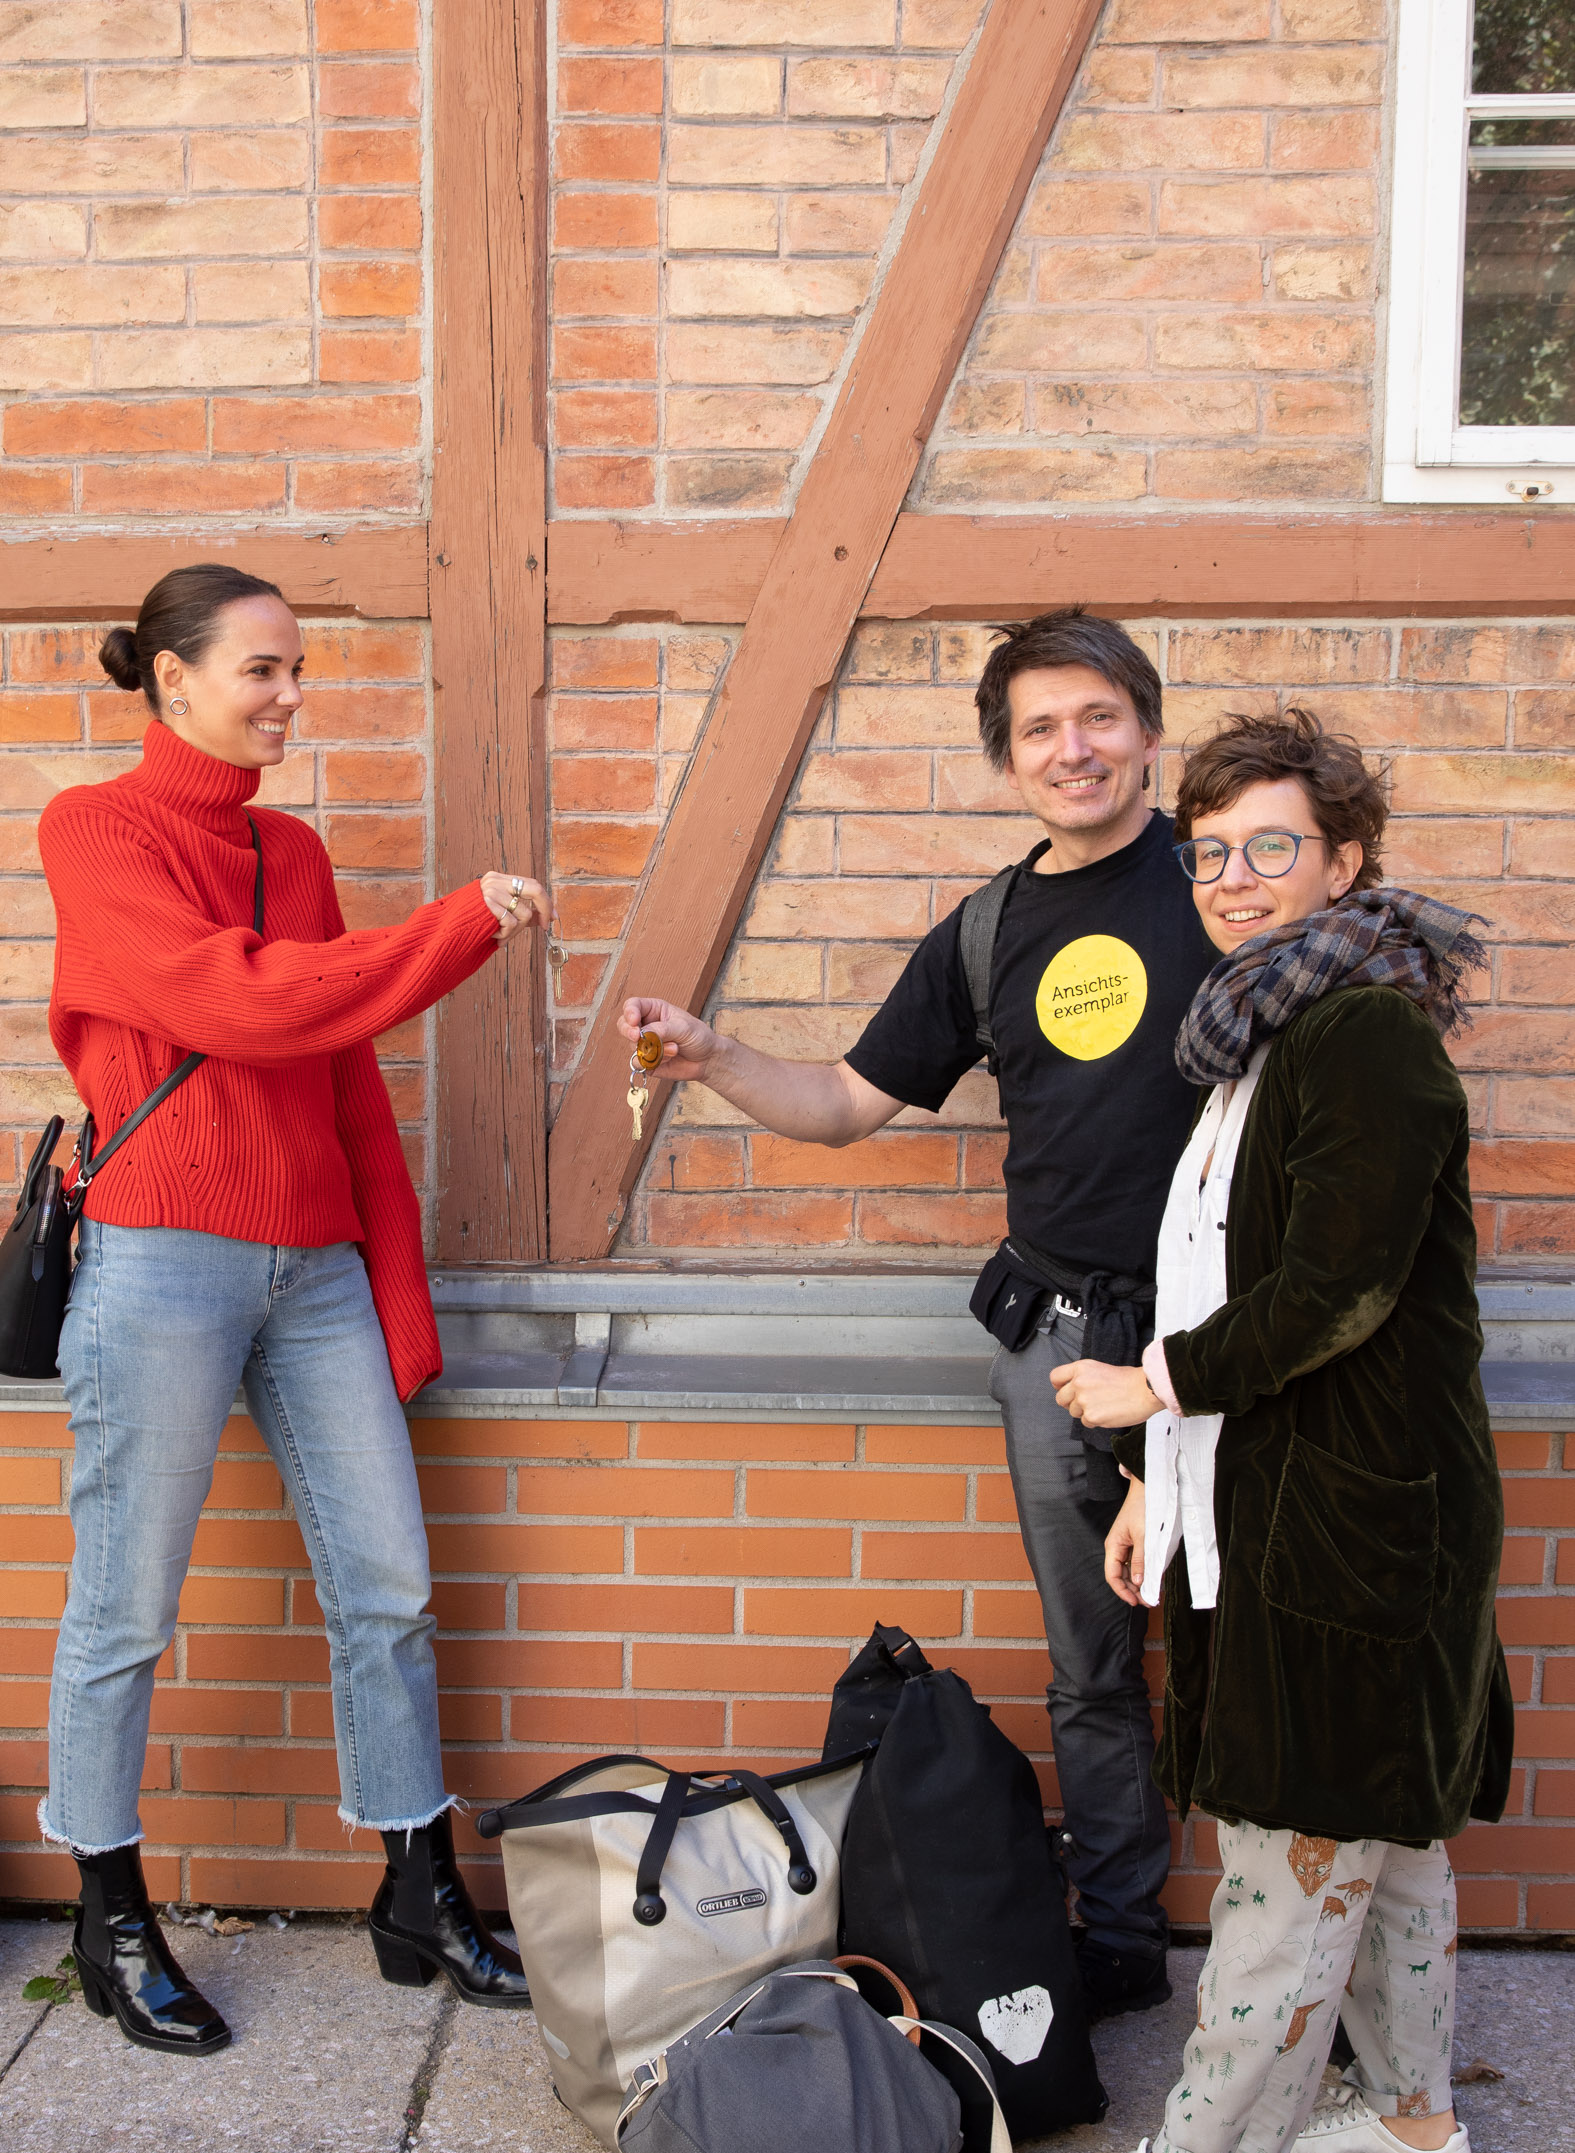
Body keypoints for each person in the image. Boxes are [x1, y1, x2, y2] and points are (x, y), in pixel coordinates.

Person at [620, 609, 1217, 2017]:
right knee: (1094, 1666)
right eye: (1040, 732)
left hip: (1218, 1348)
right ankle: (1124, 1931)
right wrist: (716, 1058)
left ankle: (1277, 1948)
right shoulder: (992, 926)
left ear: (1145, 724)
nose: (1074, 750)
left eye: (1098, 718)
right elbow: (843, 1101)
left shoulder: (1224, 882)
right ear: (1008, 763)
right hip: (1059, 1350)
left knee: (1250, 1653)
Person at [1002, 709, 1513, 2153]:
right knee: (1391, 1828)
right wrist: (1169, 1474)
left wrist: (1149, 1390)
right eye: (1212, 850)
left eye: (1270, 845)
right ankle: (1414, 2125)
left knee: (1294, 1835)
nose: (1232, 876)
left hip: (1357, 1514)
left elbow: (1332, 1289)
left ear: (1346, 859)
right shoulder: (1263, 1032)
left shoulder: (1361, 1031)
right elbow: (1217, 1271)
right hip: (1291, 1490)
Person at [38, 564, 549, 2055]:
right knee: (123, 1607)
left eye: (297, 669)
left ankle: (416, 1885)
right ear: (172, 680)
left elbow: (340, 1078)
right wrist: (454, 929)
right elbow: (240, 1000)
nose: (287, 695)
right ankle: (111, 1909)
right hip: (163, 1258)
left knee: (387, 1583)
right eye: (259, 669)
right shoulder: (95, 827)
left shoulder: (295, 848)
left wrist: (393, 1296)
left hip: (312, 1266)